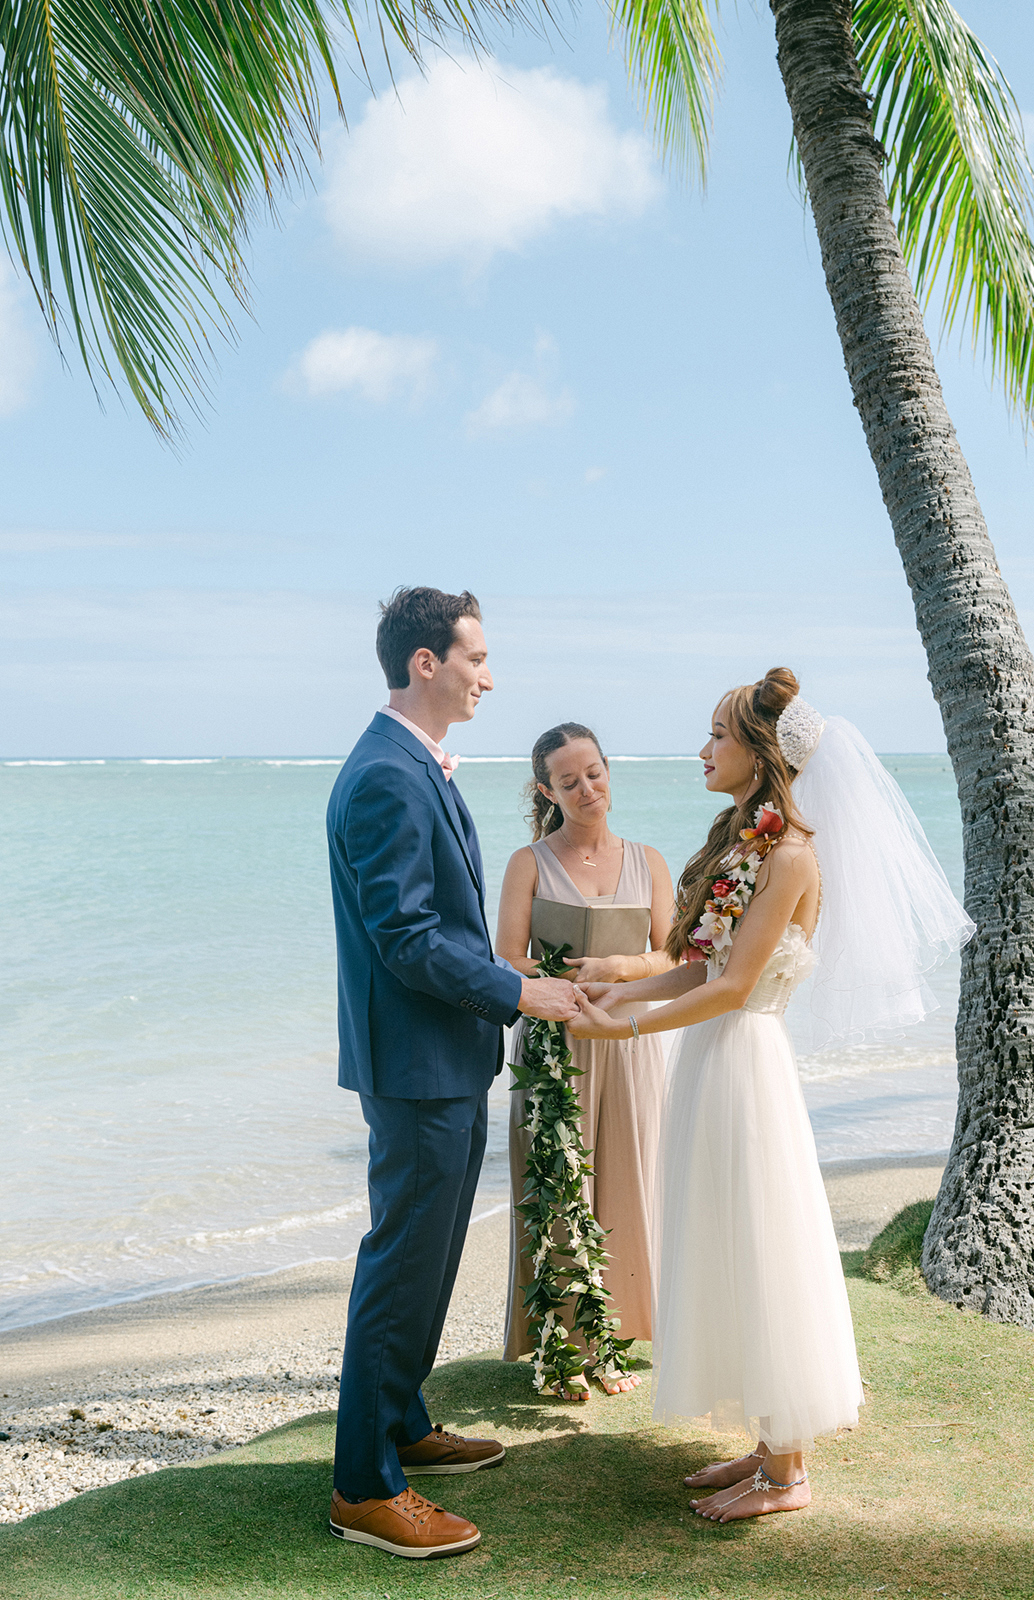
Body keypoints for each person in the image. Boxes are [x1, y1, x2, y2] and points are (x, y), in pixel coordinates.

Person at [570, 668, 973, 1523]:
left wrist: (626, 1033)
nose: (704, 748)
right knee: (725, 1235)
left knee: (759, 1240)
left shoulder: (789, 856)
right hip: (716, 1059)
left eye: (719, 734)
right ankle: (765, 1445)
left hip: (746, 1060)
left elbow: (736, 985)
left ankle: (789, 1475)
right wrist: (619, 988)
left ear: (760, 756)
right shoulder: (747, 844)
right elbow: (700, 967)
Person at [325, 586, 581, 1561]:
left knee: (428, 1259)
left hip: (442, 1057)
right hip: (417, 1065)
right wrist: (520, 992)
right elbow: (407, 937)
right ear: (426, 662)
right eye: (476, 655)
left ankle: (402, 1420)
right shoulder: (388, 774)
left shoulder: (411, 763)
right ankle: (363, 1484)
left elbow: (437, 924)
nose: (489, 673)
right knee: (400, 1265)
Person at [496, 722, 677, 1395]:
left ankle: (617, 1340)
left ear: (608, 771)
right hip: (556, 1050)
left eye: (594, 773)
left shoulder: (649, 860)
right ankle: (563, 1342)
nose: (587, 789)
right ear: (547, 789)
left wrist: (617, 965)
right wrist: (557, 982)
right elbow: (506, 958)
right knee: (559, 1190)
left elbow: (674, 953)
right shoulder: (529, 862)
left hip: (628, 1042)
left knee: (630, 1183)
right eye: (569, 781)